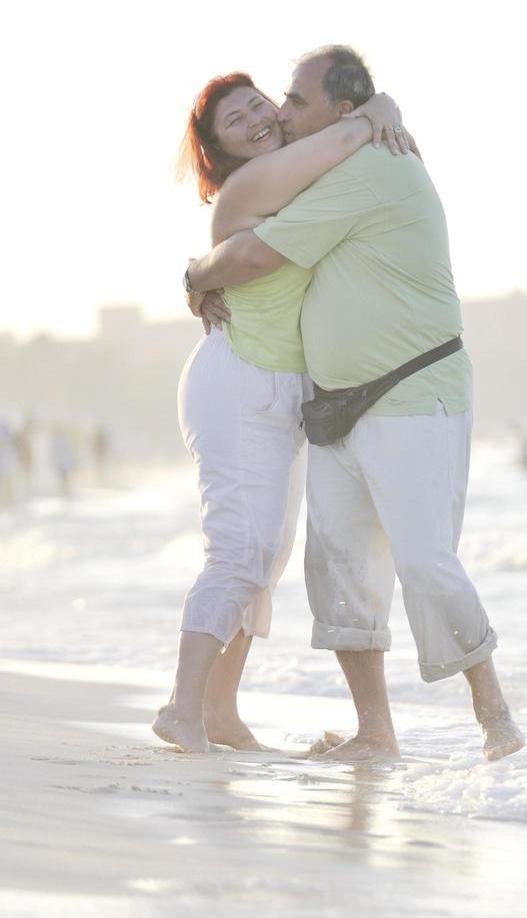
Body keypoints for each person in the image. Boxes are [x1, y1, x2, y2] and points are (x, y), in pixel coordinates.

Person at [187, 45, 525, 763]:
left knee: (425, 561)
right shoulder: (324, 170)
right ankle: (375, 734)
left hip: (410, 390)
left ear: (342, 114)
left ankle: (495, 718)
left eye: (294, 100)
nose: (280, 112)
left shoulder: (370, 168)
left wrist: (194, 273)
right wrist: (381, 107)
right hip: (337, 405)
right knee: (337, 570)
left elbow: (251, 258)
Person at [153, 65, 410, 754]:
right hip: (236, 384)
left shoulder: (298, 175)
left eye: (258, 105)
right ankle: (182, 709)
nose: (257, 120)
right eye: (235, 122)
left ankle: (219, 713)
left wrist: (375, 107)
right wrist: (376, 108)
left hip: (279, 390)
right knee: (239, 550)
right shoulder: (250, 186)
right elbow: (262, 251)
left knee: (262, 557)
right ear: (222, 152)